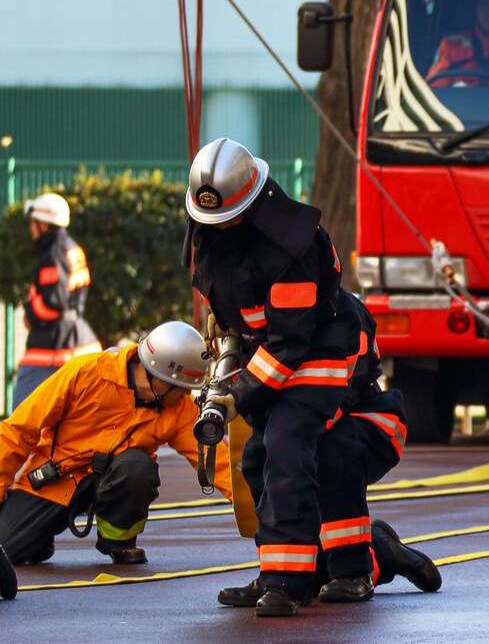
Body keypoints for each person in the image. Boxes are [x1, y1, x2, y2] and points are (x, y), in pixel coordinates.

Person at [187, 137, 366, 617]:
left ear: (252, 201)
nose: (218, 226)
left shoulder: (293, 244)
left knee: (286, 445)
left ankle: (291, 583)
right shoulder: (208, 230)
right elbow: (226, 303)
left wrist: (237, 394)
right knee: (256, 457)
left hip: (317, 354)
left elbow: (289, 343)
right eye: (211, 219)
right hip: (269, 354)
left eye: (227, 217)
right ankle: (276, 571)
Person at [215, 294, 441, 609]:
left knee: (333, 449)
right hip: (299, 423)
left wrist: (289, 433)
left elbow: (342, 390)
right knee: (258, 456)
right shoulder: (267, 319)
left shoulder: (346, 314)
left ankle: (354, 570)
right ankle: (280, 574)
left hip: (365, 417)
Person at [0, 321, 231, 569]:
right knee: (7, 550)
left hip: (118, 478)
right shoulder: (86, 373)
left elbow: (216, 463)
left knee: (137, 468)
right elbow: (19, 430)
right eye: (185, 389)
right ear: (163, 380)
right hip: (55, 480)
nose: (187, 396)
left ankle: (117, 541)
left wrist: (258, 513)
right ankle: (37, 540)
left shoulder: (179, 410)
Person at [12, 193, 101, 408]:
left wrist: (29, 315)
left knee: (20, 416)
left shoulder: (53, 254)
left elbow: (54, 302)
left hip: (53, 348)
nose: (31, 229)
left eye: (33, 223)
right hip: (81, 342)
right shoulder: (71, 247)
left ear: (44, 224)